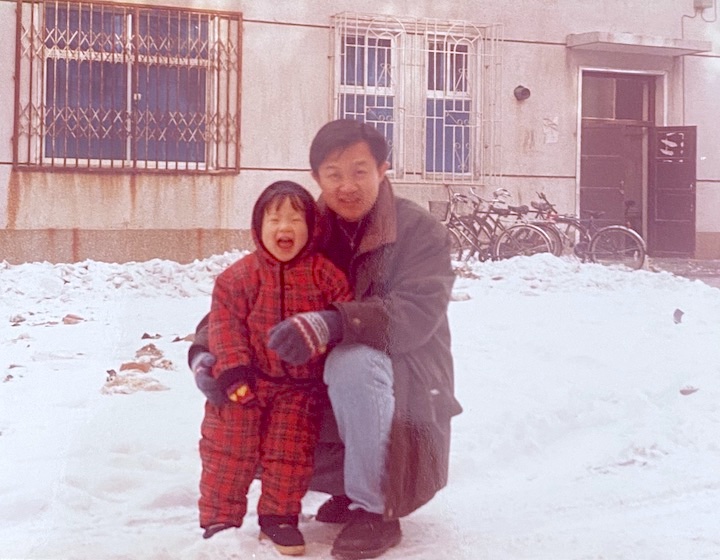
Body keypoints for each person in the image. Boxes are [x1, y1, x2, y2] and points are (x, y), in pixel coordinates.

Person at [190, 119, 462, 559]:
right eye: (333, 174)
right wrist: (206, 351)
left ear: (383, 169)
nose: (347, 186)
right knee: (257, 389)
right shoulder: (306, 224)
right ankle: (346, 489)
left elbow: (416, 312)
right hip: (324, 382)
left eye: (359, 171)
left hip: (408, 378)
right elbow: (250, 289)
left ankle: (373, 508)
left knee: (351, 360)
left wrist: (333, 323)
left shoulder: (419, 231)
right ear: (316, 177)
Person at [195, 180, 352, 556]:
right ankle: (220, 518)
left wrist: (328, 331)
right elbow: (224, 325)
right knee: (228, 449)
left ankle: (279, 518)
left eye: (296, 219)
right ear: (258, 226)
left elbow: (344, 314)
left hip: (300, 389)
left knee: (290, 455)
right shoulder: (236, 278)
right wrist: (231, 370)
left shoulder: (325, 275)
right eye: (275, 218)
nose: (285, 227)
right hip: (245, 382)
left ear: (312, 229)